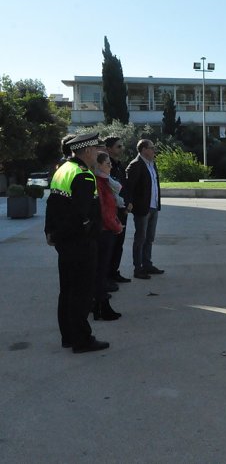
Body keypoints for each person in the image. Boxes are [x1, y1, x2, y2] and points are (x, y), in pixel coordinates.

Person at [44, 132, 109, 353]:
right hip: (80, 243)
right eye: (97, 150)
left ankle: (69, 336)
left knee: (68, 291)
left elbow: (52, 204)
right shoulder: (83, 175)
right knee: (82, 292)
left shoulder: (62, 169)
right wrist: (90, 234)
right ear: (88, 151)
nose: (100, 153)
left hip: (64, 240)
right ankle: (82, 339)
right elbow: (82, 215)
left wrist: (50, 232)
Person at [125, 139, 163, 280]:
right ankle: (138, 268)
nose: (154, 150)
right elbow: (129, 187)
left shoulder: (152, 164)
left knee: (149, 238)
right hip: (142, 208)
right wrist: (130, 203)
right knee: (140, 238)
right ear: (143, 149)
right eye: (152, 148)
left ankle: (147, 264)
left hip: (153, 207)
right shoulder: (135, 165)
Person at [93, 152, 123, 321]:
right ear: (99, 165)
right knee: (100, 271)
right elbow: (104, 211)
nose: (110, 166)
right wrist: (117, 226)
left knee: (101, 271)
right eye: (107, 164)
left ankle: (100, 305)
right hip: (104, 231)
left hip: (107, 229)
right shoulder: (100, 182)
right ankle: (101, 307)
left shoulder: (106, 182)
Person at [103, 135, 130, 284]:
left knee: (119, 244)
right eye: (118, 146)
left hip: (122, 210)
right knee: (111, 245)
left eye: (122, 146)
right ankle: (106, 276)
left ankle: (114, 272)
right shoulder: (106, 165)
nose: (121, 149)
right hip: (113, 211)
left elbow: (124, 186)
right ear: (109, 149)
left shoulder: (119, 165)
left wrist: (129, 203)